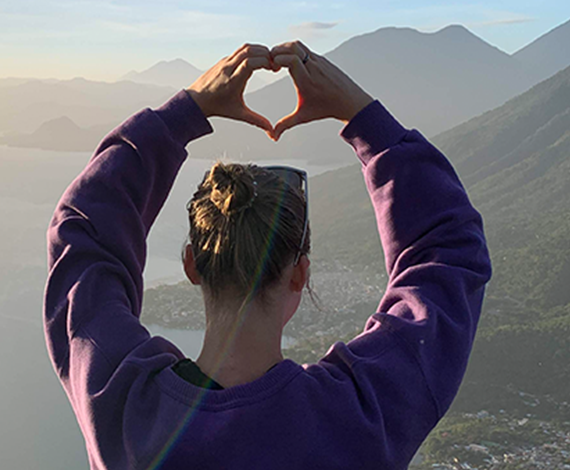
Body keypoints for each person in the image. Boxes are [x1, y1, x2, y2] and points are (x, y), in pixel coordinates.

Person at [43, 41, 492, 469]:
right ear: (299, 273)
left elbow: (82, 234)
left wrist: (184, 112)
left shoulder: (122, 407)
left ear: (191, 264)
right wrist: (363, 117)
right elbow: (447, 252)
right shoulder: (359, 418)